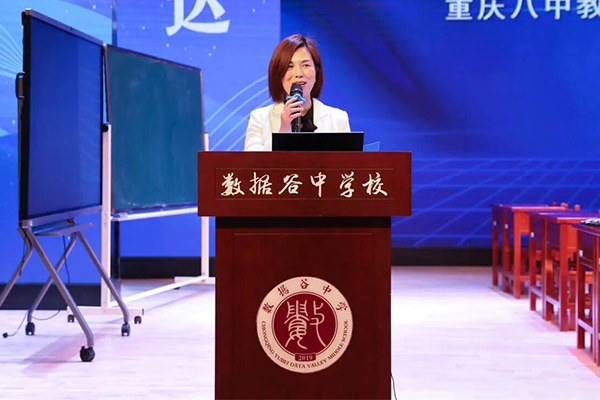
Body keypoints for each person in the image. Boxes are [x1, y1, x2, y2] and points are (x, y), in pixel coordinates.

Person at [244, 34, 350, 151]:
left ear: (316, 71)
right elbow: (251, 161)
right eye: (290, 66)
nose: (298, 73)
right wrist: (283, 130)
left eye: (306, 65)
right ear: (279, 74)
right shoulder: (259, 118)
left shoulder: (338, 119)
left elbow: (347, 162)